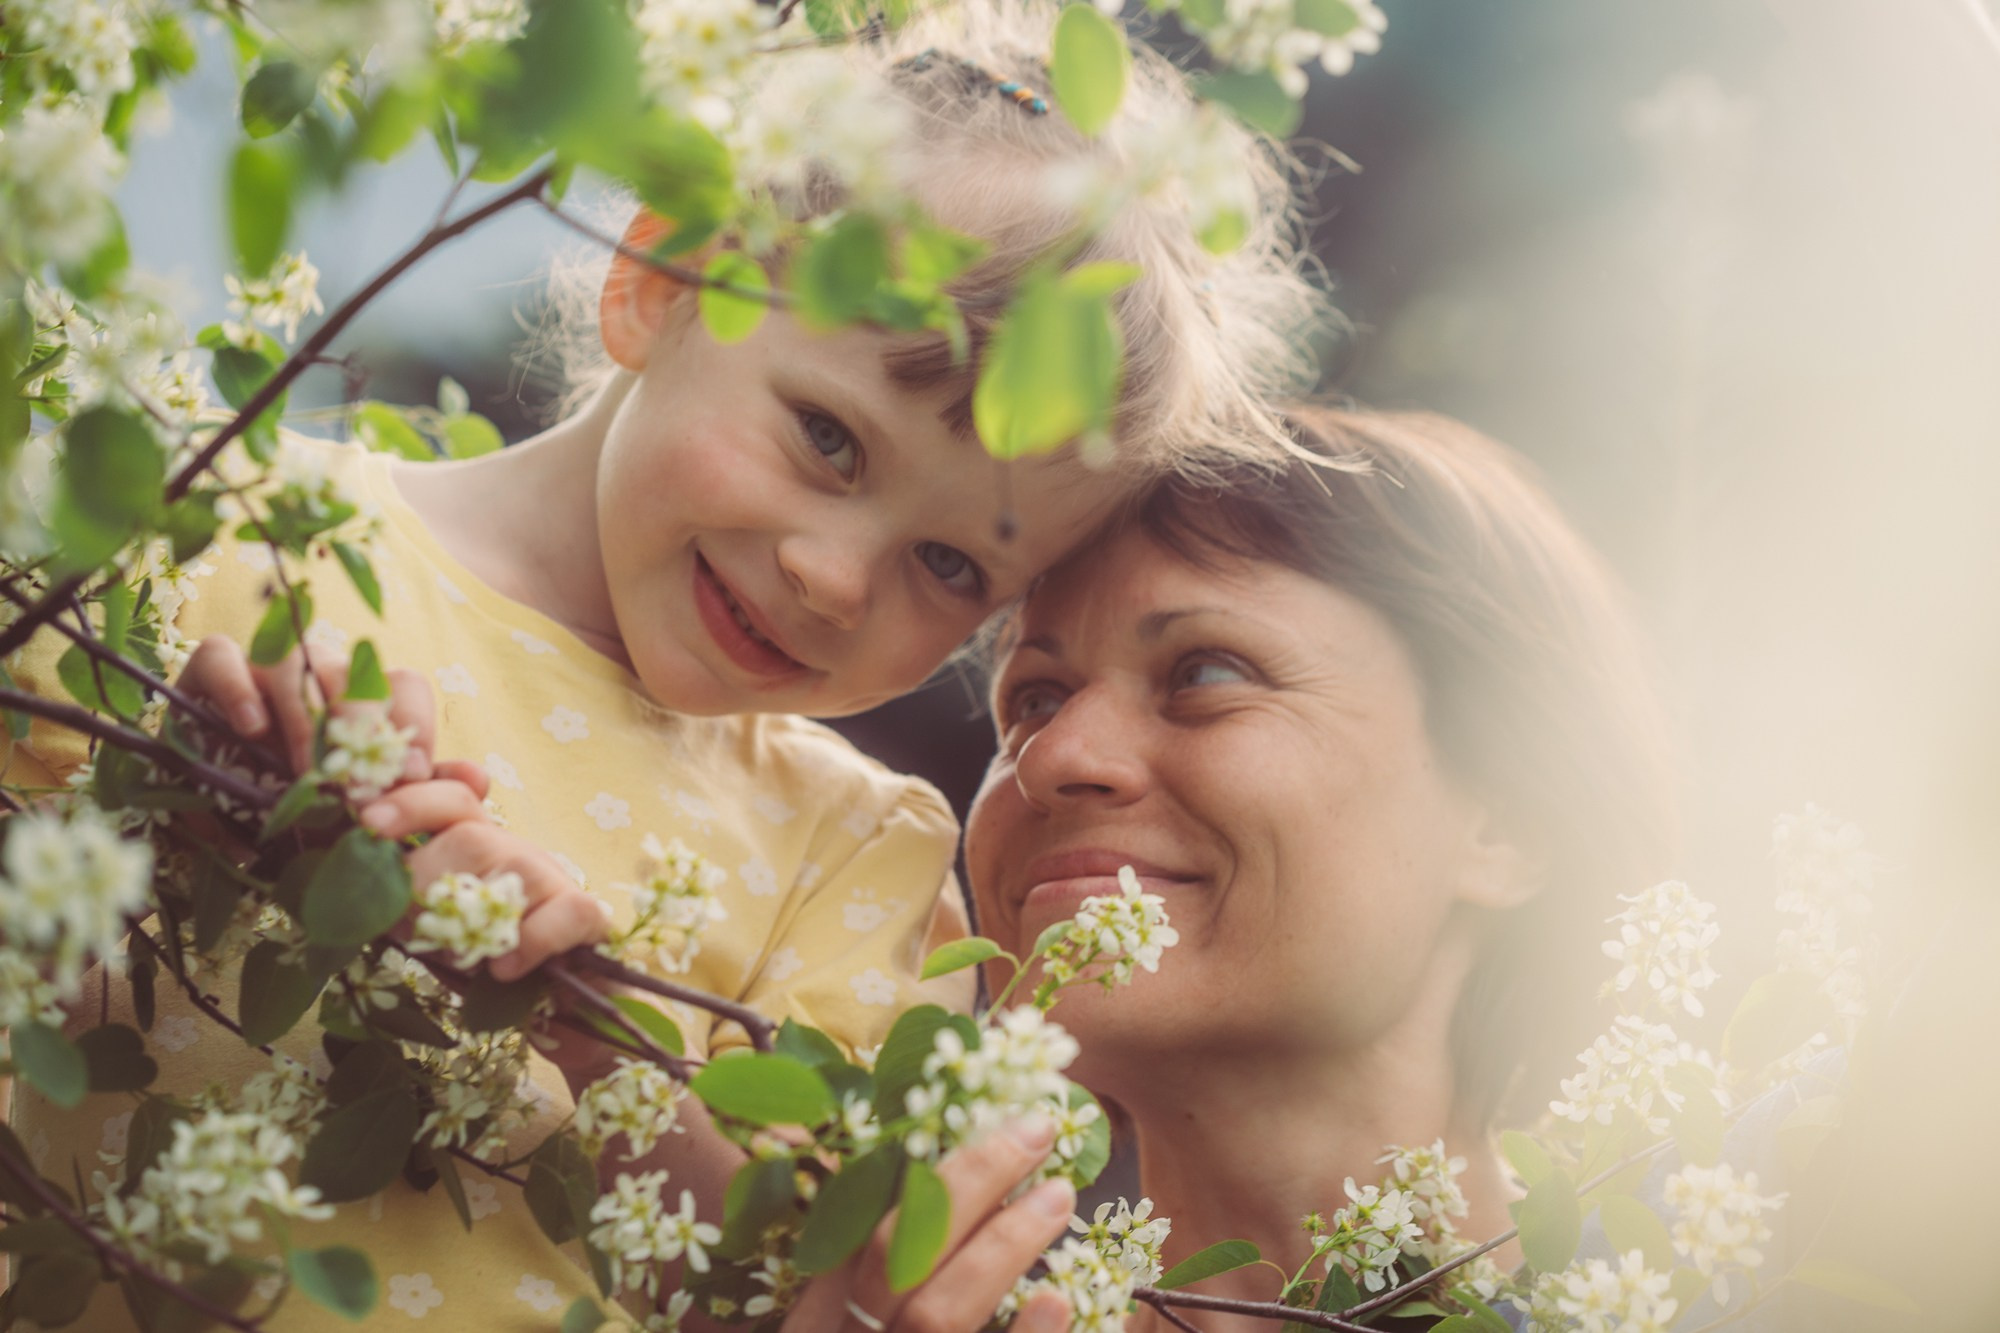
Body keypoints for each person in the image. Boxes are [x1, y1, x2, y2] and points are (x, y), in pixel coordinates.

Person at [3, 4, 1324, 1327]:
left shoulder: (852, 852)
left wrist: (586, 1027)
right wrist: (176, 815)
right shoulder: (228, 531)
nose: (833, 579)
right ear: (663, 279)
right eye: (828, 438)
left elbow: (778, 1287)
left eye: (949, 565)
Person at [798, 404, 1678, 1331]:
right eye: (1036, 698)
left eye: (1206, 673)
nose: (1055, 755)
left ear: (1506, 821)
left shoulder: (1747, 1284)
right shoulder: (812, 1269)